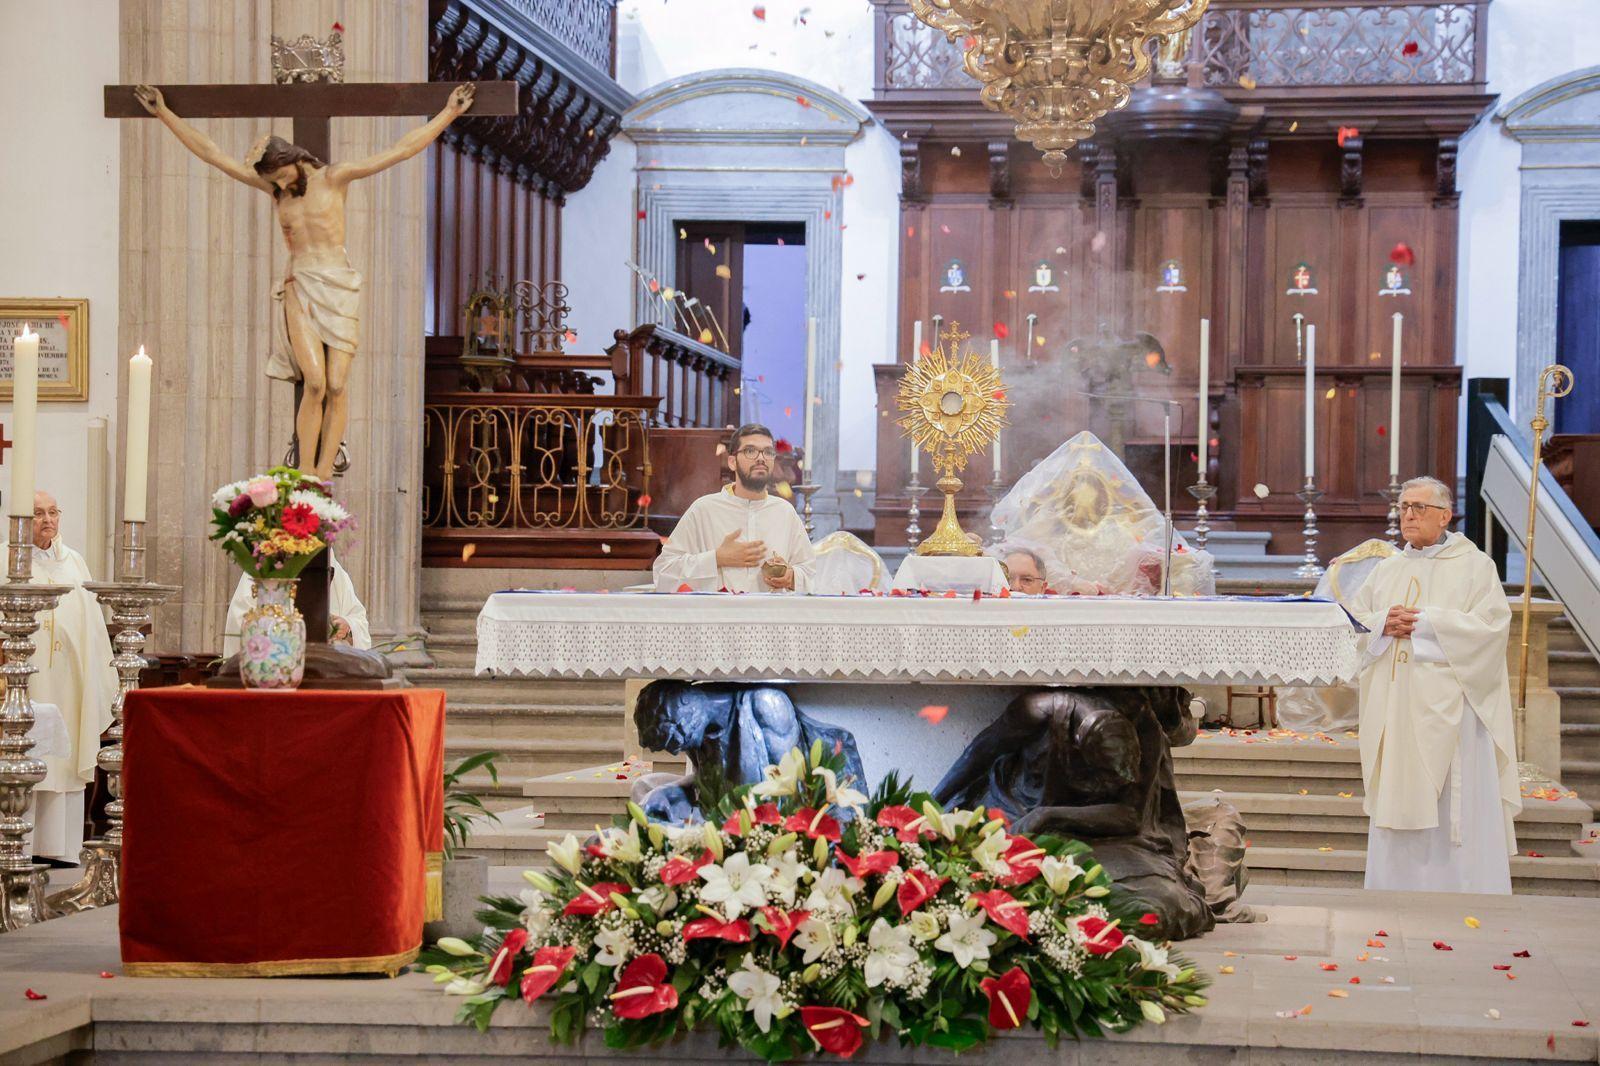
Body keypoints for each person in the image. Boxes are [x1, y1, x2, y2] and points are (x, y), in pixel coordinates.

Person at [133, 82, 476, 479]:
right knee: (313, 381)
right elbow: (214, 156)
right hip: (299, 285)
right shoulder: (277, 192)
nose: (278, 186)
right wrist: (164, 114)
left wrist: (449, 113)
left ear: (294, 160)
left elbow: (399, 151)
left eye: (281, 176)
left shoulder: (336, 178)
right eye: (273, 181)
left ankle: (324, 472)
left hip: (339, 285)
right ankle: (306, 471)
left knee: (336, 382)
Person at [1348, 476, 1521, 893]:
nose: (1408, 514)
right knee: (1397, 792)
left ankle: (1459, 886)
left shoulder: (1475, 566)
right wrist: (1381, 626)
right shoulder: (1386, 569)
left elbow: (1492, 629)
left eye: (1419, 507)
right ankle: (1395, 886)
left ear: (1444, 515)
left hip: (1454, 709)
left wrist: (1426, 625)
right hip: (1395, 707)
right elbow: (1353, 625)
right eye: (1404, 506)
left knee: (1450, 801)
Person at [20, 491, 116, 863]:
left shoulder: (74, 562)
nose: (48, 520)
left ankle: (59, 849)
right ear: (21, 520)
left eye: (53, 512)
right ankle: (19, 846)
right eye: (38, 513)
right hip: (23, 680)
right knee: (24, 755)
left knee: (64, 760)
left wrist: (96, 678)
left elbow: (92, 628)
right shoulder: (5, 560)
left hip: (68, 681)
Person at [653, 424, 815, 593]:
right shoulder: (704, 510)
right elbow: (664, 572)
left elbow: (811, 574)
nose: (761, 458)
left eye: (768, 452)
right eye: (750, 451)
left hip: (770, 616)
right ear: (732, 462)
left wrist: (791, 577)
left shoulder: (785, 513)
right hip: (719, 616)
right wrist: (716, 558)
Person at [222, 556, 371, 657]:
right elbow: (240, 619)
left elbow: (359, 619)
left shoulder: (333, 566)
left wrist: (348, 627)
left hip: (328, 671)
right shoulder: (265, 564)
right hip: (276, 669)